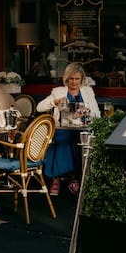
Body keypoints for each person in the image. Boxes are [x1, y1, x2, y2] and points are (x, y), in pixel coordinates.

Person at [36, 62, 100, 195]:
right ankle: (58, 178)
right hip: (63, 128)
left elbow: (97, 114)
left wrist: (87, 111)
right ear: (66, 79)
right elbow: (39, 107)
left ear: (82, 79)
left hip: (83, 128)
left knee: (78, 138)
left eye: (77, 79)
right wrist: (54, 102)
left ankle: (75, 178)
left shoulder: (88, 92)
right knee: (64, 139)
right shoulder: (58, 91)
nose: (74, 82)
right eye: (71, 79)